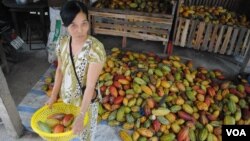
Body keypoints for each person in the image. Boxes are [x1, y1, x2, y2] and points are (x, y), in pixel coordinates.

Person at [45, 1, 106, 140]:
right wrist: (54, 95)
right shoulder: (62, 42)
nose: (80, 30)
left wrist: (82, 115)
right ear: (65, 25)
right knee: (65, 131)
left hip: (85, 104)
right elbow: (60, 70)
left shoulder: (96, 49)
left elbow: (90, 85)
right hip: (66, 99)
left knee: (85, 136)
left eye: (84, 23)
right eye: (73, 25)